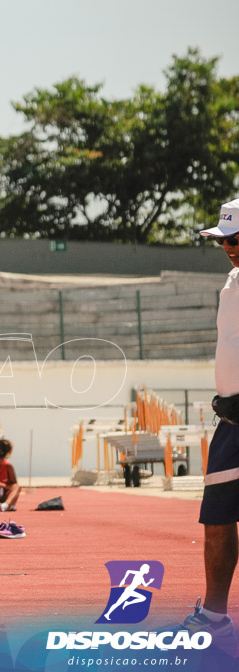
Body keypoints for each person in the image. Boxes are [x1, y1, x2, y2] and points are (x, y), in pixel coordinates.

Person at [179, 199, 239, 651]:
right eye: (223, 241)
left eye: (236, 240)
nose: (229, 248)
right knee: (216, 519)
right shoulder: (234, 279)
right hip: (232, 418)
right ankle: (215, 617)